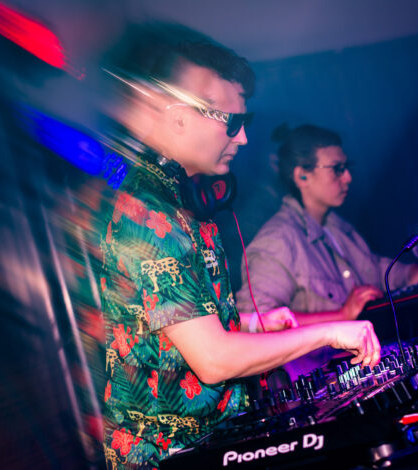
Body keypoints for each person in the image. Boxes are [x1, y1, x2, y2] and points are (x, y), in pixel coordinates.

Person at [96, 44, 382, 469]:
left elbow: (177, 327)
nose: (243, 138)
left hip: (211, 442)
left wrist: (248, 322)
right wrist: (330, 332)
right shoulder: (149, 213)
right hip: (169, 457)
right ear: (179, 118)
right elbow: (213, 360)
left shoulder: (187, 202)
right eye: (232, 123)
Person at [235, 124, 418, 373]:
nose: (348, 178)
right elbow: (257, 324)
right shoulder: (278, 240)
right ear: (302, 176)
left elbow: (395, 277)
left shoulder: (339, 229)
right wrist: (340, 315)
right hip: (319, 382)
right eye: (337, 169)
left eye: (347, 168)